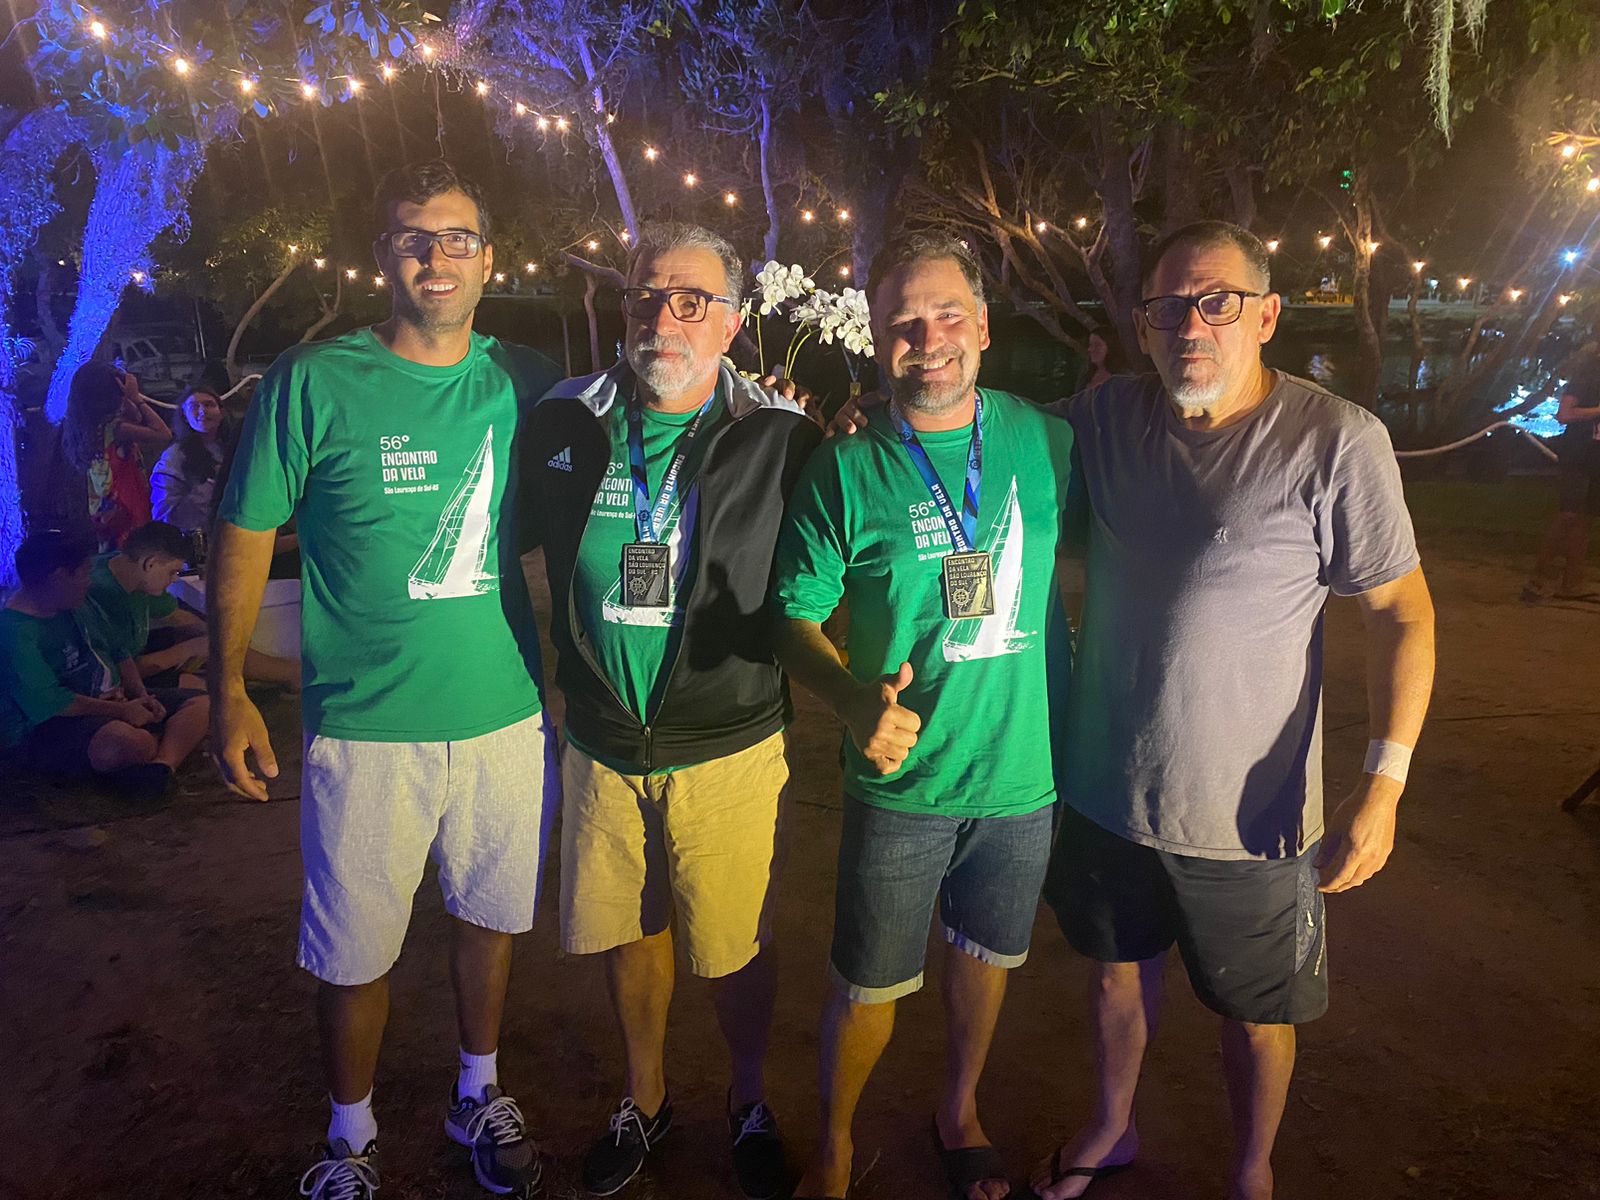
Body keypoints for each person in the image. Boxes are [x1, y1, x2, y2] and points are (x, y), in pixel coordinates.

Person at [1031, 220, 1436, 1200]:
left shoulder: (1335, 440)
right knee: (1116, 974)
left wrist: (1383, 787)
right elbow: (979, 440)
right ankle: (1111, 1127)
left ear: (1266, 315)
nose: (1191, 326)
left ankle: (1251, 1169)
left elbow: (1401, 612)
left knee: (1257, 1014)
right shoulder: (1103, 419)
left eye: (1217, 302)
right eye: (1168, 307)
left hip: (1252, 820)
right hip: (1104, 790)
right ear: (1141, 325)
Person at [208, 159, 561, 1200]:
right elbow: (244, 531)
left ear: (488, 260)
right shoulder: (314, 380)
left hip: (504, 716)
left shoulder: (531, 380)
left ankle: (477, 1091)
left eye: (456, 238)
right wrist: (226, 688)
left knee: (490, 919)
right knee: (353, 950)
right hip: (364, 727)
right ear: (382, 257)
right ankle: (351, 1135)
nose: (435, 257)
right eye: (413, 238)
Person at [771, 232, 1077, 1200]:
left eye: (948, 315)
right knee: (866, 983)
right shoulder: (845, 468)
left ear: (983, 326)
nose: (928, 339)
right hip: (901, 783)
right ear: (875, 338)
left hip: (1022, 778)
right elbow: (791, 617)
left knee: (984, 959)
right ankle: (834, 1144)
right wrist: (847, 697)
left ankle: (960, 1111)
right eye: (903, 322)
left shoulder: (1048, 441)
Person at [519, 221, 821, 1199]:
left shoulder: (781, 437)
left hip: (725, 742)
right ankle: (643, 1098)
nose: (662, 316)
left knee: (735, 946)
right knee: (629, 930)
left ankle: (748, 1099)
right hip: (602, 738)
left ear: (731, 323)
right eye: (646, 295)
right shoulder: (564, 420)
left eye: (691, 300)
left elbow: (823, 581)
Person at [0, 528, 209, 798]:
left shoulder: (76, 603)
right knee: (125, 743)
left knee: (203, 703)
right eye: (83, 574)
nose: (89, 582)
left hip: (110, 701)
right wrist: (121, 711)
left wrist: (141, 696)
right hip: (52, 724)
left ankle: (162, 766)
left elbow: (118, 649)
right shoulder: (15, 632)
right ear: (59, 577)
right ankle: (153, 749)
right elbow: (50, 703)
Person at [85, 519, 299, 692]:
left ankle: (290, 673)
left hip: (135, 653)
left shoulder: (133, 572)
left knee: (214, 639)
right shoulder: (103, 595)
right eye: (172, 572)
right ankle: (289, 674)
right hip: (107, 683)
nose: (174, 580)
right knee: (211, 691)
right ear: (150, 563)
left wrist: (217, 635)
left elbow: (175, 616)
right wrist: (188, 649)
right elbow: (114, 672)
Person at [61, 362, 171, 549]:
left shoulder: (84, 430)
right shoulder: (117, 430)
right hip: (130, 514)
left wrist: (127, 399)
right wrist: (136, 398)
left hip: (105, 517)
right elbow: (163, 434)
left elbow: (135, 417)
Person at [1523, 343, 1600, 602]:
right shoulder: (1587, 377)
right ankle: (1536, 579)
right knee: (1568, 515)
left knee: (1585, 519)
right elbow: (1564, 414)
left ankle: (1572, 583)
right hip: (1578, 454)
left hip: (1596, 456)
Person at [150, 386, 231, 533]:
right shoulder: (174, 457)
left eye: (209, 405)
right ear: (185, 416)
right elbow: (164, 514)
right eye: (194, 406)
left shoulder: (234, 447)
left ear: (222, 413)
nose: (202, 411)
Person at [1074, 324, 1129, 392]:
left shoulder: (1125, 376)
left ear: (1110, 347)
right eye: (1090, 345)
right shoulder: (1085, 378)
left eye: (1097, 345)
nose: (1090, 349)